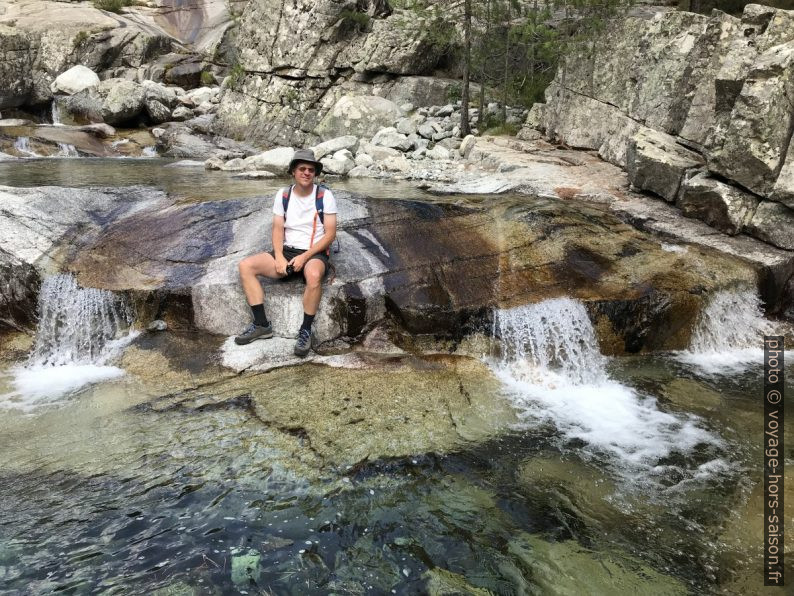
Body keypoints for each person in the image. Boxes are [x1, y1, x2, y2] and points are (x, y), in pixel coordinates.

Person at [234, 149, 338, 357]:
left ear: (315, 173)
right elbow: (277, 228)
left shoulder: (324, 196)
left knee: (314, 275)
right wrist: (280, 257)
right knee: (246, 266)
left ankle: (305, 330)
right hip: (287, 251)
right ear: (293, 171)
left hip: (313, 252)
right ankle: (262, 325)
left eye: (311, 170)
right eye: (302, 169)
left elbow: (330, 234)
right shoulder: (283, 195)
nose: (307, 173)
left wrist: (304, 257)